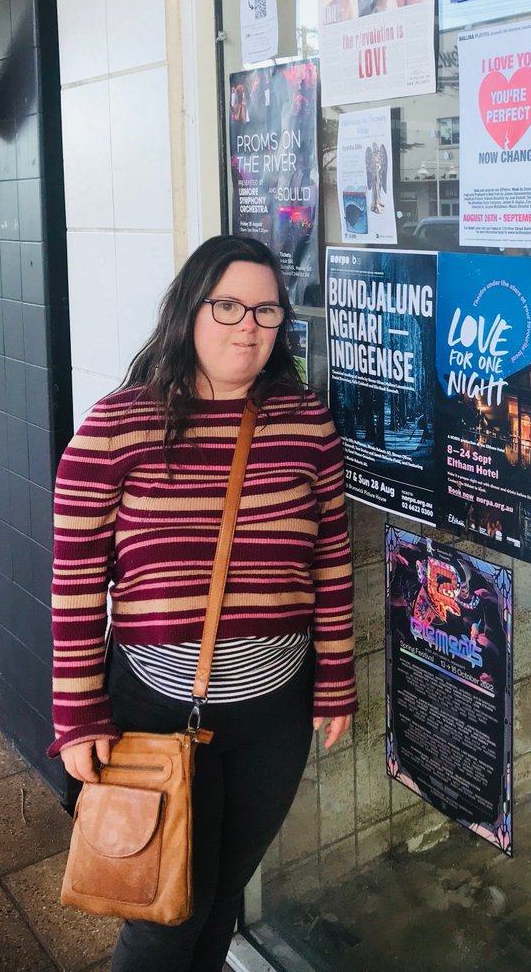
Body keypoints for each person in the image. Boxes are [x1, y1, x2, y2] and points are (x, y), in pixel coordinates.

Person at [49, 235, 356, 972]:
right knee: (160, 918)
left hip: (272, 715)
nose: (247, 325)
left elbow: (331, 563)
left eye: (265, 310)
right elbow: (76, 583)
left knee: (220, 904)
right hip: (152, 710)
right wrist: (77, 713)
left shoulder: (305, 424)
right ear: (190, 309)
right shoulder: (117, 426)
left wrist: (336, 682)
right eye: (227, 306)